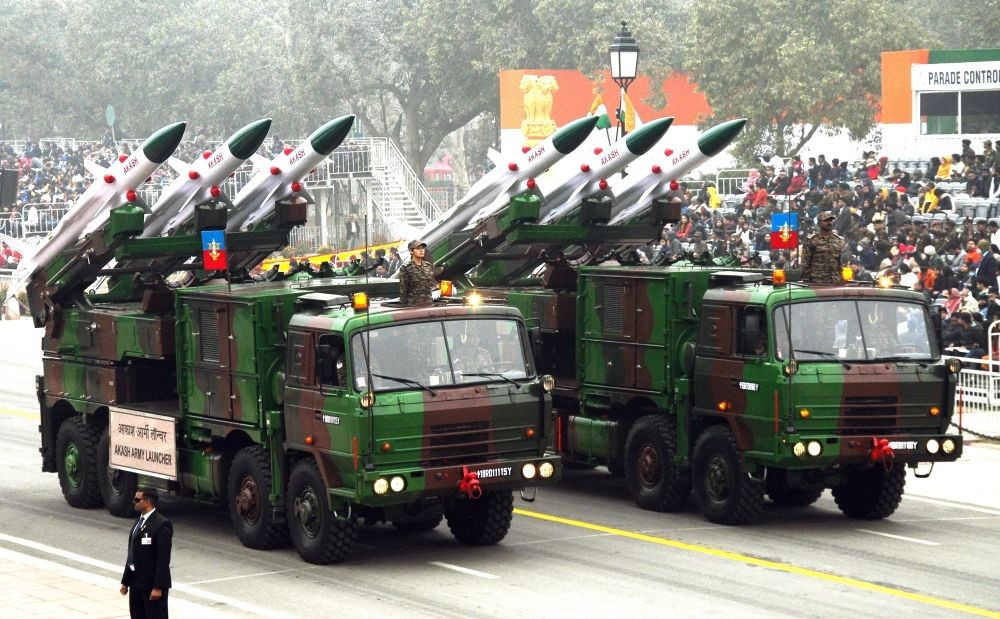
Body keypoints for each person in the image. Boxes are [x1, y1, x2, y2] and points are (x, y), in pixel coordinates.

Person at [120, 487, 172, 619]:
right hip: (136, 582)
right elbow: (132, 553)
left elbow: (163, 559)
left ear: (148, 501)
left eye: (137, 500)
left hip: (151, 584)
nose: (134, 502)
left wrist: (158, 587)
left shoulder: (161, 524)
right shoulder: (139, 522)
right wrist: (126, 582)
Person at [800, 211, 845, 284]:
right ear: (819, 223)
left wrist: (841, 277)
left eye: (830, 220)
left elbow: (839, 262)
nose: (829, 222)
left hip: (835, 281)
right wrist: (806, 280)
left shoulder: (837, 240)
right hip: (818, 282)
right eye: (826, 221)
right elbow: (805, 263)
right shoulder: (812, 240)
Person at [397, 239, 436, 306]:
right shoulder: (406, 267)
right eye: (418, 248)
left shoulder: (428, 266)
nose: (421, 250)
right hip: (413, 305)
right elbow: (403, 290)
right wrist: (403, 305)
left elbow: (430, 285)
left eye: (422, 248)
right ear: (411, 251)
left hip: (428, 304)